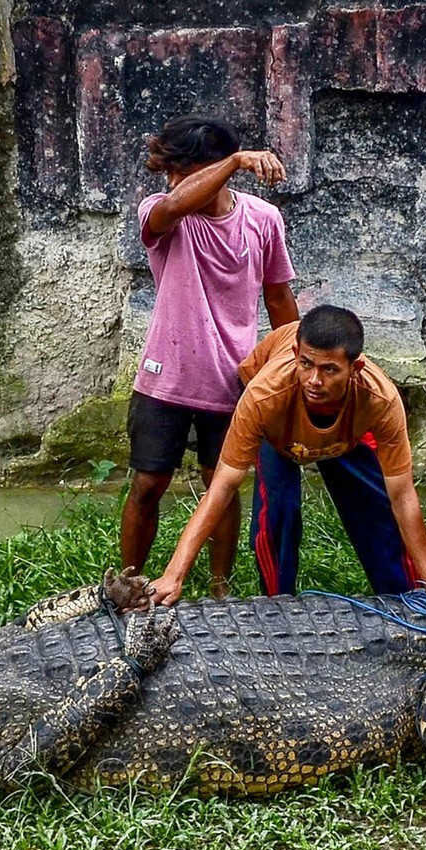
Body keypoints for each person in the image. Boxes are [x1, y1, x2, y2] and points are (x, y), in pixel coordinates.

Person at [148, 305, 426, 614]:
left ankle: (406, 599)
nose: (314, 380)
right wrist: (174, 574)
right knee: (281, 508)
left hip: (345, 435)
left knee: (378, 511)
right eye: (306, 364)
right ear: (295, 357)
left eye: (329, 369)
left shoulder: (379, 399)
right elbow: (222, 487)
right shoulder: (264, 395)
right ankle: (278, 604)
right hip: (279, 430)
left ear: (354, 369)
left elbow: (403, 496)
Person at [120, 115, 299, 597]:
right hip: (165, 379)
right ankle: (128, 581)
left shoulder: (263, 220)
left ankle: (221, 587)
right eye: (171, 171)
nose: (172, 181)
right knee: (148, 483)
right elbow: (176, 202)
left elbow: (278, 298)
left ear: (208, 169)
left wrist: (294, 363)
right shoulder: (161, 213)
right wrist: (237, 161)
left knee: (223, 484)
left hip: (233, 379)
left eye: (183, 169)